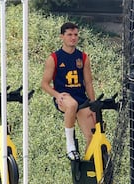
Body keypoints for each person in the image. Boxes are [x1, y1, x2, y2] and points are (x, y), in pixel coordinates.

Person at [41, 22, 96, 161]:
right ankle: (70, 145)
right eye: (69, 35)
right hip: (64, 97)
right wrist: (57, 95)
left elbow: (88, 83)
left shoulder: (83, 57)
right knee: (71, 105)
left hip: (81, 98)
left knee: (92, 136)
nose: (73, 38)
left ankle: (87, 166)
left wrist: (93, 104)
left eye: (76, 35)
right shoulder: (54, 58)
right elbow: (44, 84)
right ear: (62, 36)